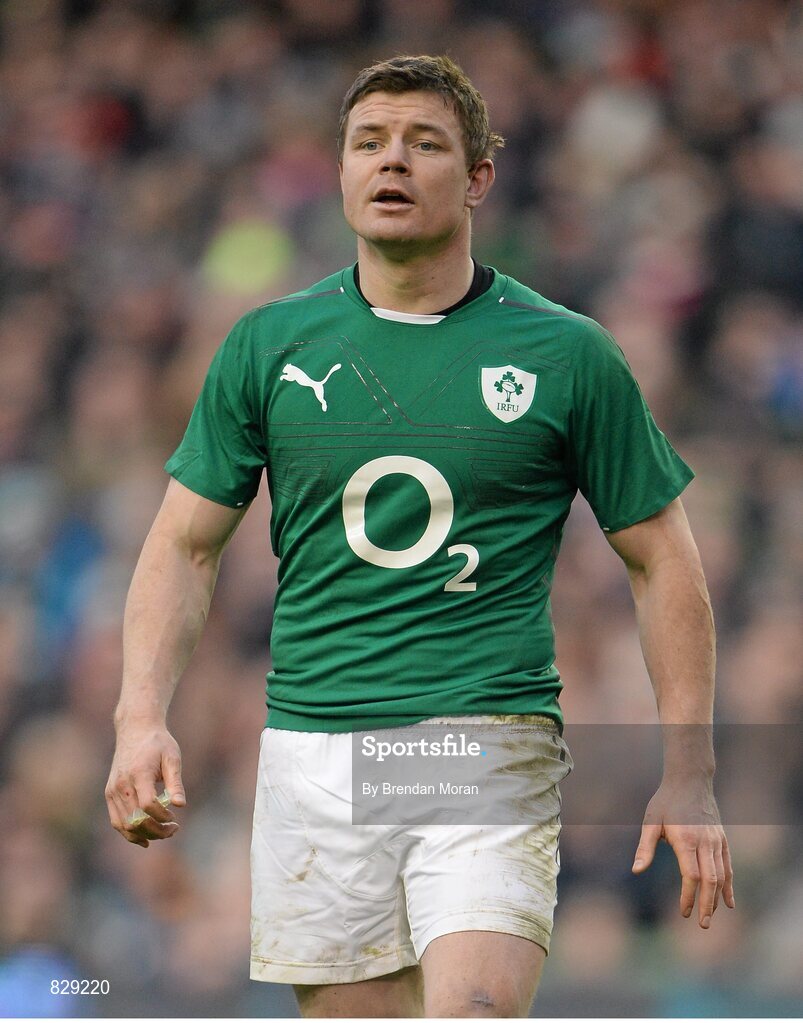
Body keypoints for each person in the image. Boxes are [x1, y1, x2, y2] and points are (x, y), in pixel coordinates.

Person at [106, 55, 735, 1018]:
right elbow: (184, 547)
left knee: (473, 1007)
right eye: (369, 142)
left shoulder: (566, 354)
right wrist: (139, 716)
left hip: (480, 740)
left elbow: (662, 561)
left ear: (477, 178)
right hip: (318, 749)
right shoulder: (268, 346)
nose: (391, 160)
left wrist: (688, 773)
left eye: (423, 143)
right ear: (342, 171)